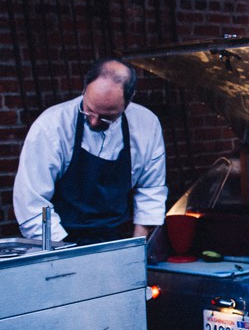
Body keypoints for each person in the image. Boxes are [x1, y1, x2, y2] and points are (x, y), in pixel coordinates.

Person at [13, 57, 167, 245]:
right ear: (85, 89)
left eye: (106, 117)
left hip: (115, 240)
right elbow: (35, 204)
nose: (94, 121)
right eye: (89, 111)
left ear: (129, 100)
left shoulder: (146, 124)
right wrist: (63, 252)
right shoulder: (51, 126)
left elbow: (150, 190)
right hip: (60, 241)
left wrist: (136, 247)